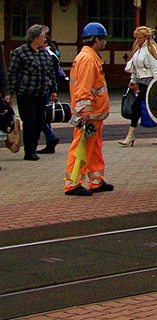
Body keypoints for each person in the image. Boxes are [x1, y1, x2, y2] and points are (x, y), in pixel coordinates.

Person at [65, 22, 113, 196]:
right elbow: (83, 89)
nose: (105, 42)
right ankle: (73, 183)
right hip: (88, 115)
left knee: (93, 149)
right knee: (82, 147)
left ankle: (96, 181)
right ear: (96, 40)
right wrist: (84, 113)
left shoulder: (89, 57)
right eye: (103, 39)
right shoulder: (88, 59)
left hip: (94, 115)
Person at [7, 24, 58, 161]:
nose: (44, 39)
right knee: (29, 122)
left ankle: (33, 147)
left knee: (39, 122)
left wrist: (53, 90)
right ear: (35, 38)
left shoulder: (45, 53)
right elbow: (12, 74)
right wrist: (9, 93)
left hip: (42, 93)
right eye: (42, 36)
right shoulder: (20, 53)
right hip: (26, 94)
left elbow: (50, 73)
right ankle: (29, 151)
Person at [120, 25, 157, 146]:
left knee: (137, 106)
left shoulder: (150, 49)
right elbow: (135, 67)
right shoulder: (137, 48)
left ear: (145, 37)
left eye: (139, 38)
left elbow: (156, 69)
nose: (137, 40)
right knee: (151, 107)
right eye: (136, 38)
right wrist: (133, 80)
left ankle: (130, 135)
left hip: (150, 82)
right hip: (141, 82)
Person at [40, 39, 65, 153]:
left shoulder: (48, 55)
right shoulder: (51, 55)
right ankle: (50, 142)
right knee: (46, 116)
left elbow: (52, 75)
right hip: (47, 89)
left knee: (40, 117)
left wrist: (53, 91)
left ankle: (51, 138)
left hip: (44, 90)